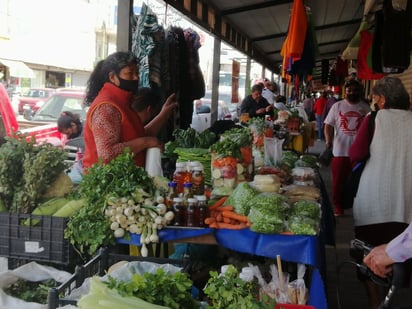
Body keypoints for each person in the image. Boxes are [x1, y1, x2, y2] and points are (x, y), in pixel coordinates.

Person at [349, 77, 412, 308]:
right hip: (407, 204)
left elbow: (356, 153)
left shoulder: (374, 119)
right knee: (399, 257)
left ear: (382, 100)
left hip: (374, 201)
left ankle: (376, 302)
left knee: (370, 258)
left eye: (376, 98)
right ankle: (392, 295)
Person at [82, 51, 177, 170]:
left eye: (137, 73)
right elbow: (108, 153)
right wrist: (146, 142)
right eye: (129, 73)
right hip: (109, 184)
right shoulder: (106, 107)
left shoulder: (122, 102)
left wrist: (164, 113)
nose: (136, 77)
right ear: (112, 77)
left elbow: (138, 137)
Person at [324, 79, 370, 217]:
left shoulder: (366, 108)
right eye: (349, 90)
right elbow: (328, 125)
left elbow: (370, 127)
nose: (352, 93)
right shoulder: (337, 106)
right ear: (345, 92)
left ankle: (356, 206)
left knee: (358, 182)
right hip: (340, 151)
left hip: (359, 152)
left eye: (355, 90)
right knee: (338, 182)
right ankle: (338, 206)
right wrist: (328, 141)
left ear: (360, 91)